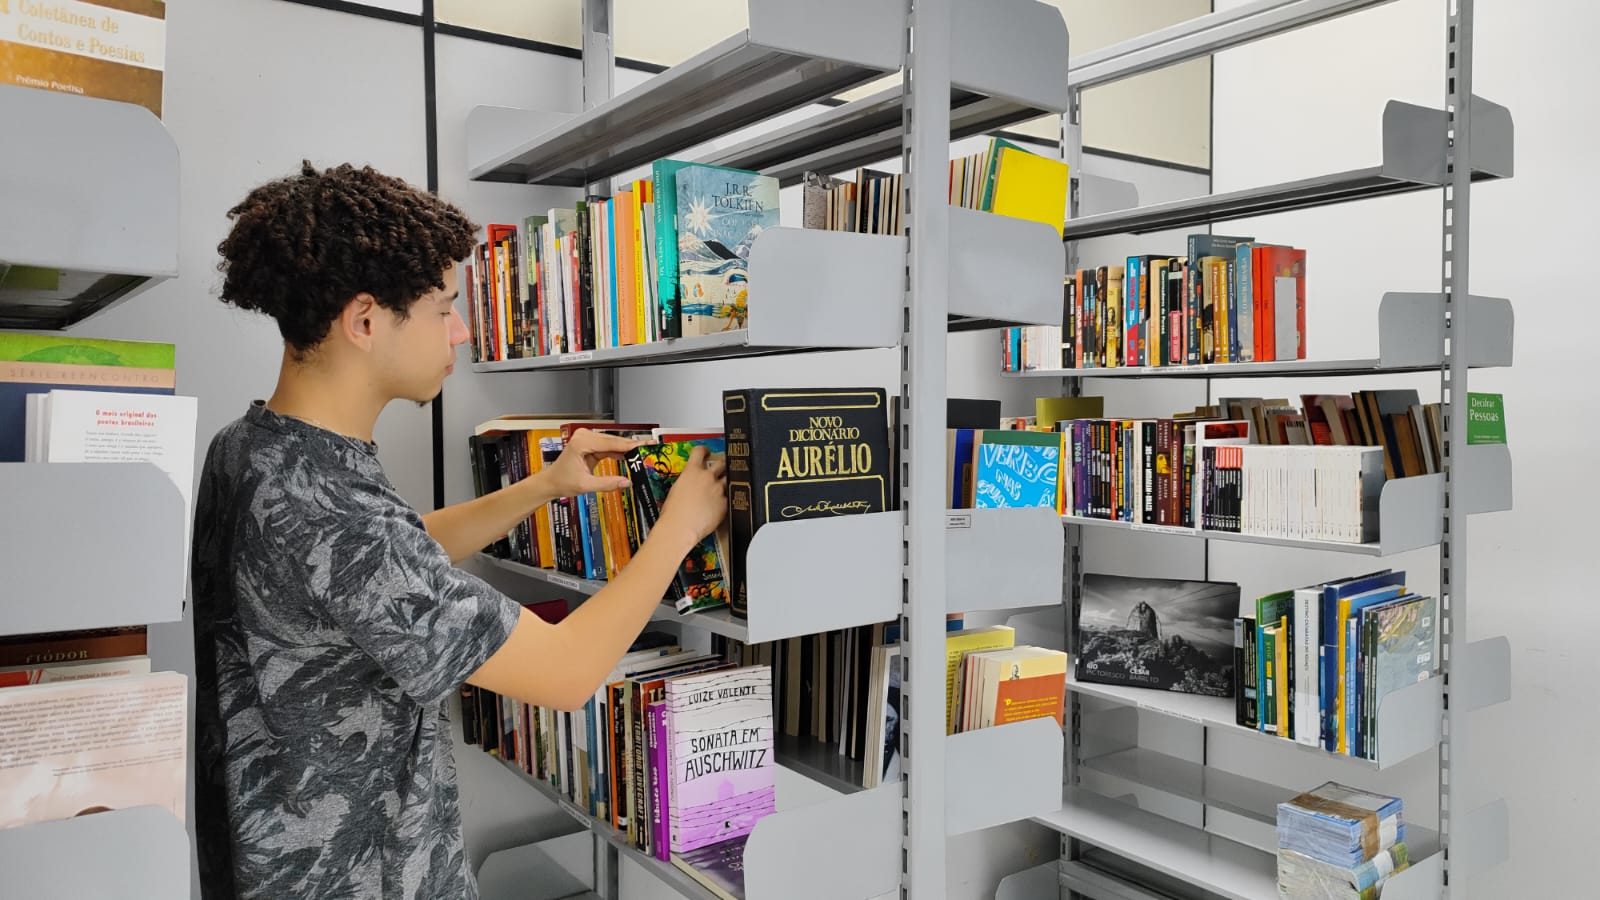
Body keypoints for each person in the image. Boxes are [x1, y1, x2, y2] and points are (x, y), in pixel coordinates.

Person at [190, 161, 728, 900]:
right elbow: (567, 671)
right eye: (444, 308)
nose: (463, 330)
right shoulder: (337, 512)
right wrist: (679, 526)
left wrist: (543, 486)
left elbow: (385, 569)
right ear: (365, 321)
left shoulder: (255, 449)